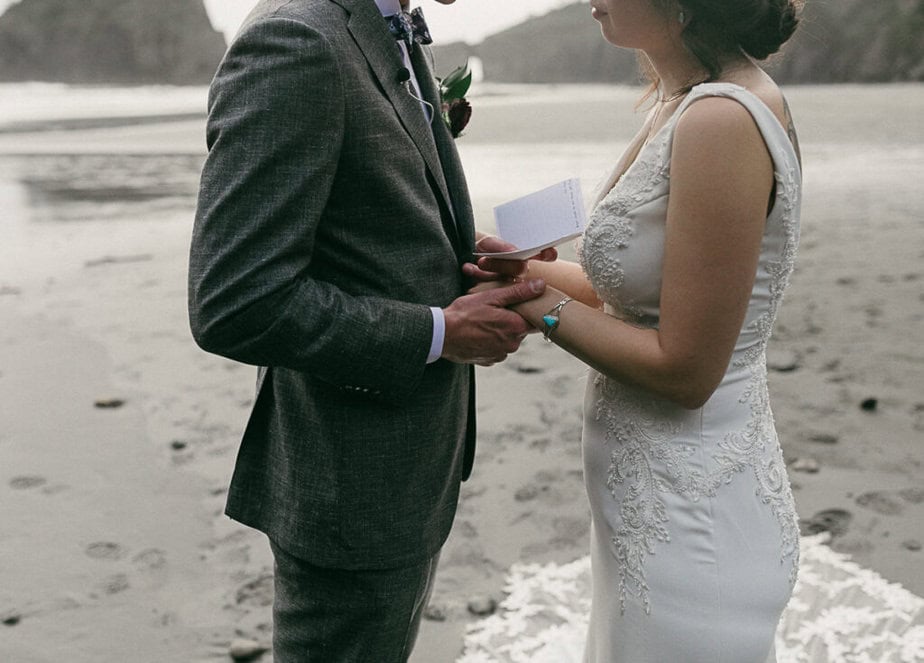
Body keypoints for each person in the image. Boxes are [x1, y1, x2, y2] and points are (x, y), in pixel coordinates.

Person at [187, 0, 551, 660]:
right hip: (350, 490)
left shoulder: (386, 19)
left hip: (403, 476)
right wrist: (440, 331)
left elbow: (365, 215)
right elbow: (235, 300)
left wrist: (464, 257)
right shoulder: (297, 41)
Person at [473, 0, 803, 660]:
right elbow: (634, 292)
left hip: (694, 525)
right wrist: (516, 268)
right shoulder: (679, 101)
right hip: (649, 509)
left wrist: (535, 307)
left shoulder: (720, 121)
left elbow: (685, 370)